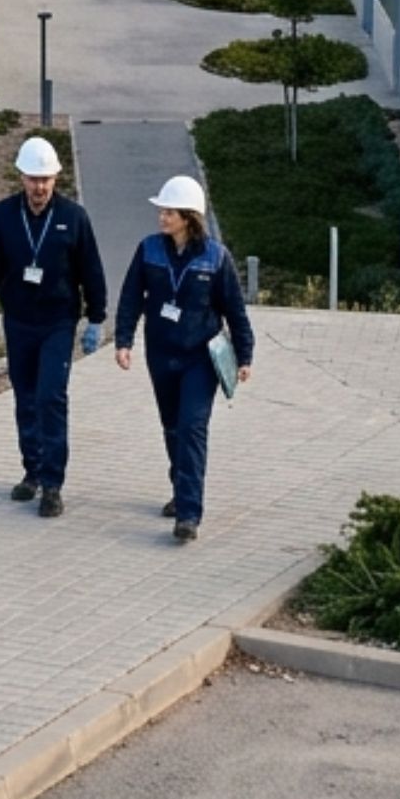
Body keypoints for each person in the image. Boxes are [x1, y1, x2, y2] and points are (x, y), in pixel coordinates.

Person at [0, 137, 110, 518]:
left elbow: (91, 270)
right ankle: (31, 470)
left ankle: (52, 484)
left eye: (46, 180)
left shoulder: (74, 217)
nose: (40, 188)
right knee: (25, 398)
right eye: (33, 179)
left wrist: (96, 318)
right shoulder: (4, 215)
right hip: (19, 321)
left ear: (56, 180)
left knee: (51, 397)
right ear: (21, 178)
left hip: (57, 323)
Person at [111, 176, 255, 543]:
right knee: (172, 426)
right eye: (161, 210)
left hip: (200, 358)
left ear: (189, 218)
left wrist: (245, 354)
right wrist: (123, 340)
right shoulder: (148, 251)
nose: (161, 217)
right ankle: (180, 489)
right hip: (161, 354)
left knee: (192, 427)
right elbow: (130, 298)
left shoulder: (216, 258)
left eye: (169, 211)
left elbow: (235, 310)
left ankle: (189, 513)